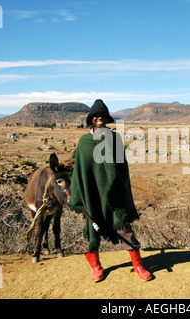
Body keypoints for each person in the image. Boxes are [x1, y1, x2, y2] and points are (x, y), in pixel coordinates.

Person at [69, 99, 152, 282]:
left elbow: (121, 168)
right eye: (96, 116)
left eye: (103, 116)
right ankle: (97, 267)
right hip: (93, 194)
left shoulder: (114, 138)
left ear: (107, 118)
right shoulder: (84, 142)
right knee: (92, 229)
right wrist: (77, 194)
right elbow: (80, 171)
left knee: (124, 228)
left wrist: (120, 189)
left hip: (112, 193)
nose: (100, 118)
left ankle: (138, 265)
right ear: (92, 119)